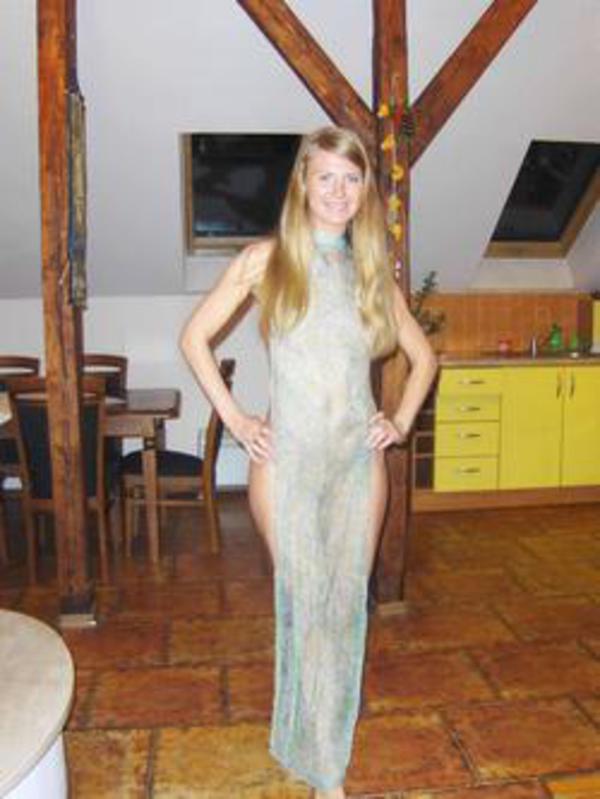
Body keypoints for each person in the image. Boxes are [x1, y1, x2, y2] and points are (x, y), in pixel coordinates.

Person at [180, 126, 437, 799]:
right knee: (304, 605)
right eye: (326, 176)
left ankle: (324, 754)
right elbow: (195, 337)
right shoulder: (265, 260)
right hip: (286, 465)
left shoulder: (371, 272)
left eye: (352, 179)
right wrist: (237, 419)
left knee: (344, 608)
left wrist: (399, 421)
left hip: (357, 465)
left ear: (364, 190)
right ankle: (319, 755)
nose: (339, 191)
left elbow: (424, 358)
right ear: (303, 182)